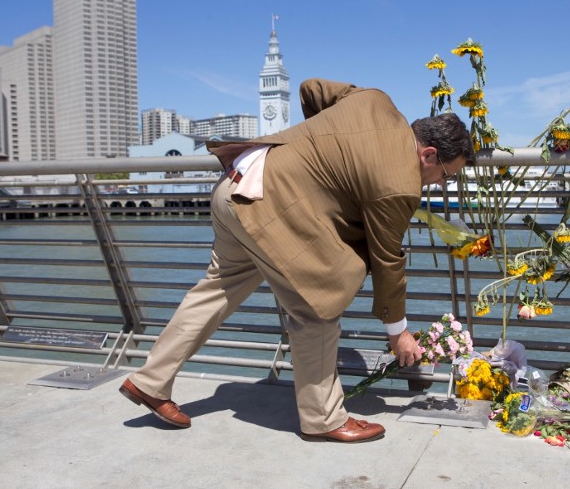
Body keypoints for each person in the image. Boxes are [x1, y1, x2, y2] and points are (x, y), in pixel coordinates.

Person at [119, 78, 473, 443]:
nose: (440, 185)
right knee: (317, 304)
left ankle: (150, 381)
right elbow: (387, 259)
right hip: (264, 207)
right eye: (446, 175)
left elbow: (311, 89)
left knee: (216, 289)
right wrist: (398, 333)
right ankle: (323, 417)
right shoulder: (401, 182)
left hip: (233, 186)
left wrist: (316, 153)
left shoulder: (374, 99)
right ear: (428, 154)